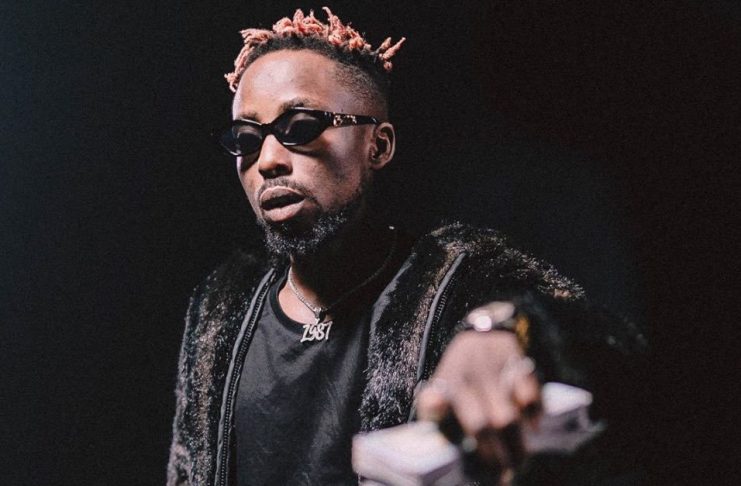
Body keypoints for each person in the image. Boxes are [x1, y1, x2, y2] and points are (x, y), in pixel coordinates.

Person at [167, 8, 647, 486]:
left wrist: (507, 327)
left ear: (377, 146)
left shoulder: (457, 280)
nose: (268, 160)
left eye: (301, 126)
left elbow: (610, 348)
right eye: (246, 138)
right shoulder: (221, 305)